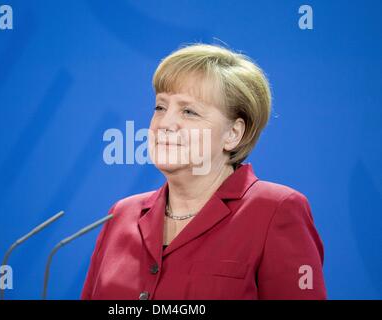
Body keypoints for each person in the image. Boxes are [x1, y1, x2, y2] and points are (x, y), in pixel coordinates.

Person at [81, 43, 327, 300]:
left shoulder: (275, 210)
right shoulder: (121, 215)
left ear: (233, 134)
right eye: (160, 107)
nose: (165, 124)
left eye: (189, 111)